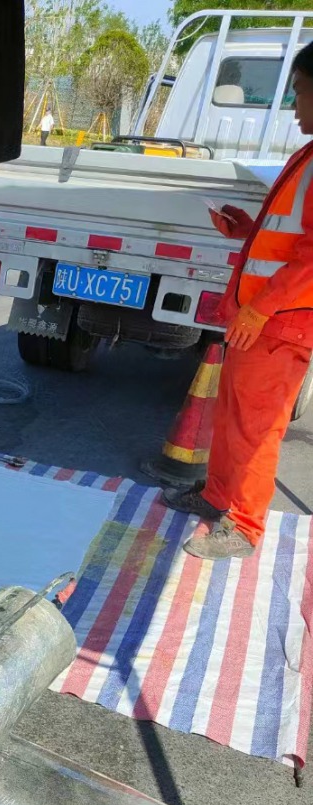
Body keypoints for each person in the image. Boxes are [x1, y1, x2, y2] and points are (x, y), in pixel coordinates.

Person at [164, 42, 313, 561]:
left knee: (256, 427)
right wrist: (245, 230)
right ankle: (217, 498)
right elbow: (289, 242)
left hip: (278, 323)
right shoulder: (308, 155)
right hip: (263, 320)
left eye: (299, 92)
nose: (294, 107)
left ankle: (244, 526)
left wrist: (260, 308)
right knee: (231, 416)